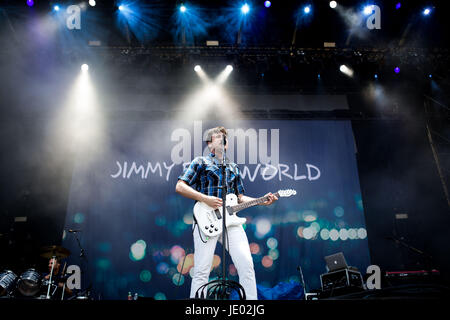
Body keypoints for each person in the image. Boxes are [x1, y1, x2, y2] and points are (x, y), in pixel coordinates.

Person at [176, 126, 278, 300]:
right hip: (205, 220)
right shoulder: (200, 162)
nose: (221, 139)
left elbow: (239, 198)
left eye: (224, 137)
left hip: (230, 222)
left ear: (227, 144)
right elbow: (180, 186)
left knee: (246, 265)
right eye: (216, 137)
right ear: (209, 143)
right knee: (201, 270)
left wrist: (262, 200)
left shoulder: (233, 167)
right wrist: (204, 198)